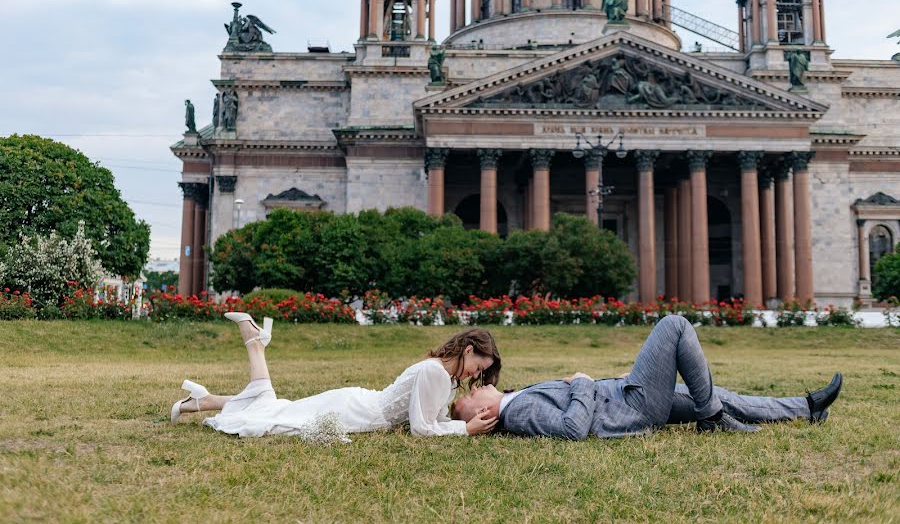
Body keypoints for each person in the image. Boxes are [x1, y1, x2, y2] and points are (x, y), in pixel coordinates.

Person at [453, 315, 843, 439]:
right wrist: (585, 381)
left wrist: (608, 380)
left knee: (712, 393)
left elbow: (581, 402)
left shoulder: (513, 398)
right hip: (633, 408)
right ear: (481, 417)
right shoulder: (517, 414)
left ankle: (806, 408)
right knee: (674, 325)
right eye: (465, 400)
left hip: (625, 394)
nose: (476, 385)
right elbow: (573, 428)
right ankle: (711, 418)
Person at [171, 313, 501, 440]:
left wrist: (456, 423)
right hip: (356, 411)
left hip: (357, 403)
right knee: (279, 422)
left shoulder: (443, 375)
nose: (476, 375)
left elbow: (433, 419)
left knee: (282, 409)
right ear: (468, 350)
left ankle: (206, 399)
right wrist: (465, 429)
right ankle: (253, 343)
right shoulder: (435, 373)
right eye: (479, 367)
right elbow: (422, 429)